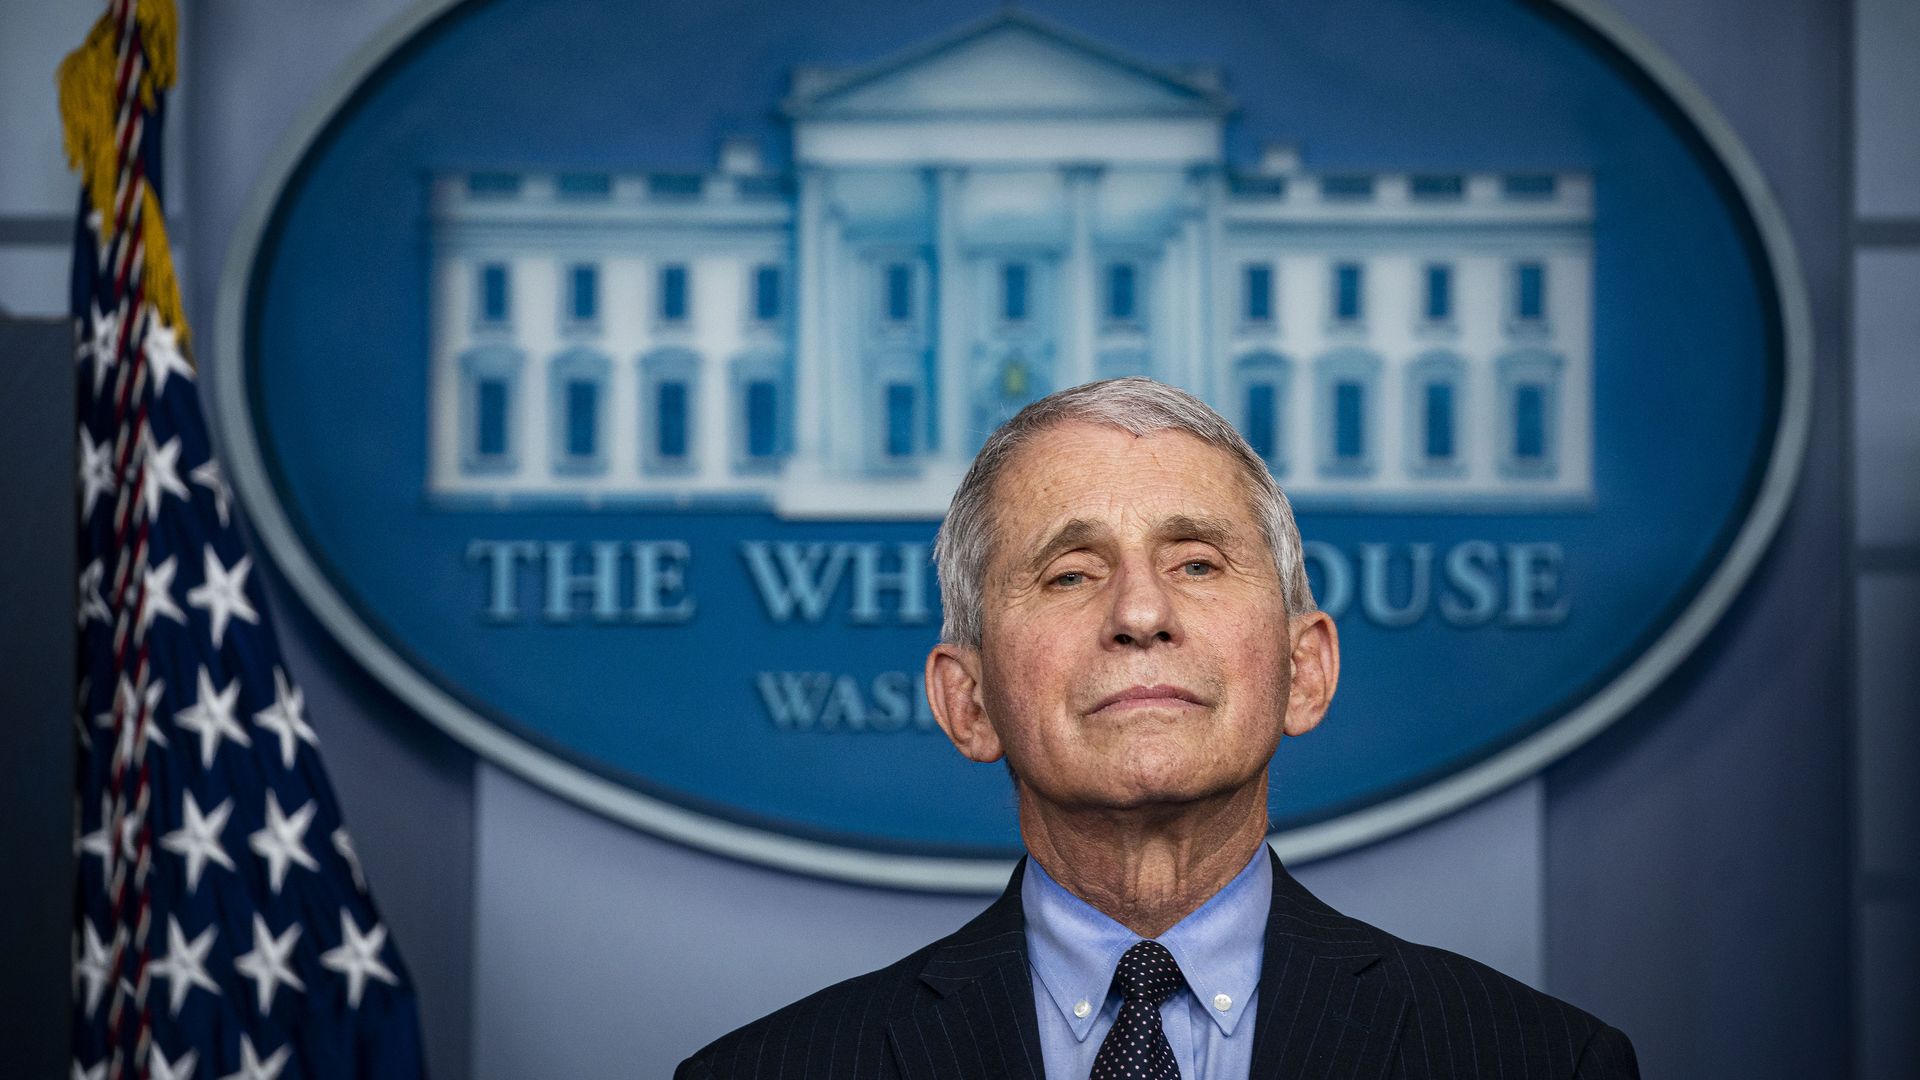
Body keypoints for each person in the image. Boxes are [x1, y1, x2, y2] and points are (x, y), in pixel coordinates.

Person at [676, 378, 1638, 1079]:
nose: (1140, 613)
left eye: (1198, 564)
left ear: (1304, 670)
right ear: (968, 702)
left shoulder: (1541, 1063)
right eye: (1070, 573)